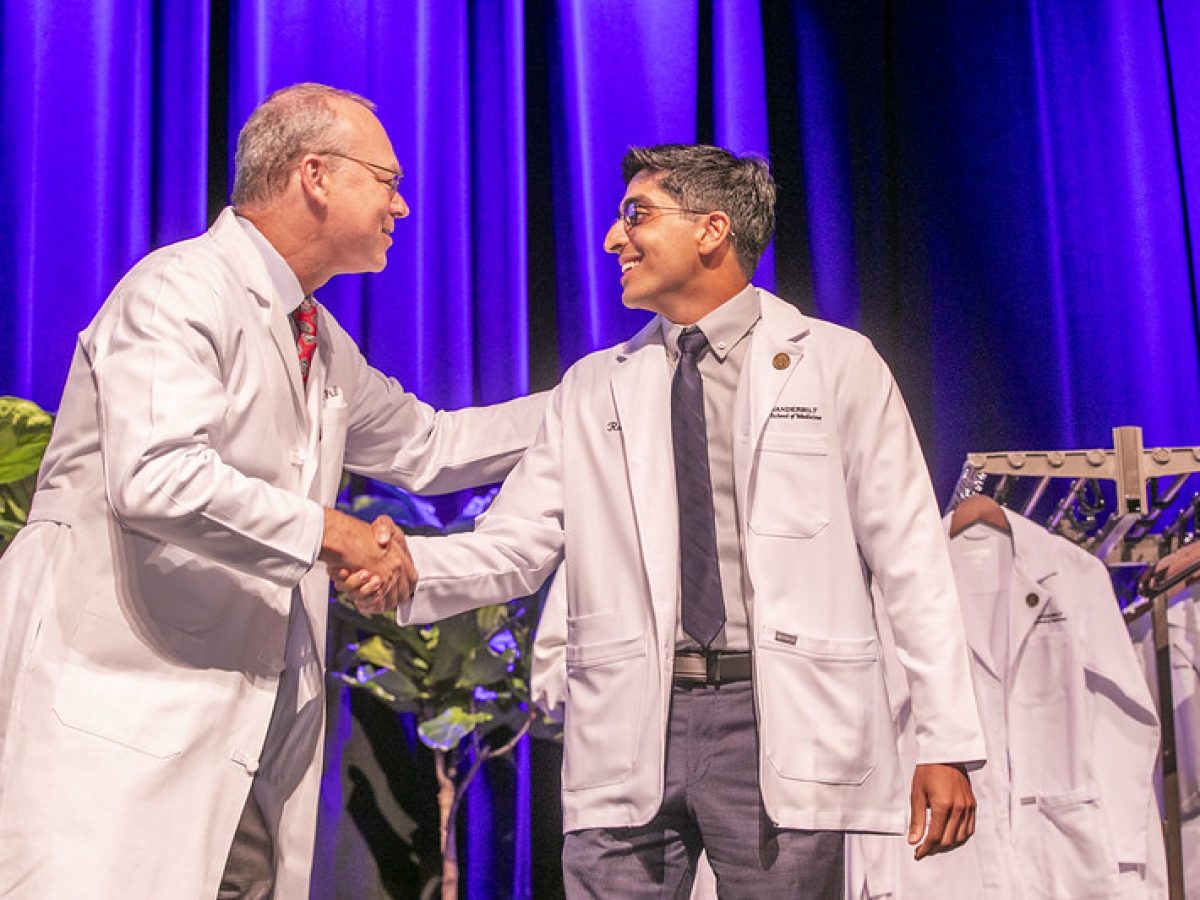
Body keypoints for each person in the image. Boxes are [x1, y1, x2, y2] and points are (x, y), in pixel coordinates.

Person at [346, 144, 987, 897]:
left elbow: (910, 556)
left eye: (636, 216)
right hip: (631, 718)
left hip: (776, 716)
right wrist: (407, 567)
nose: (614, 239)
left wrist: (947, 741)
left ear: (712, 230)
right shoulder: (593, 387)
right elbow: (516, 546)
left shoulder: (839, 366)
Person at [0, 82, 546, 898]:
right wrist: (335, 533)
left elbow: (430, 446)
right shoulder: (178, 289)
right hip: (118, 704)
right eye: (387, 181)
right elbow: (157, 478)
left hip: (236, 723)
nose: (402, 206)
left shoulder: (315, 335)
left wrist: (602, 397)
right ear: (316, 175)